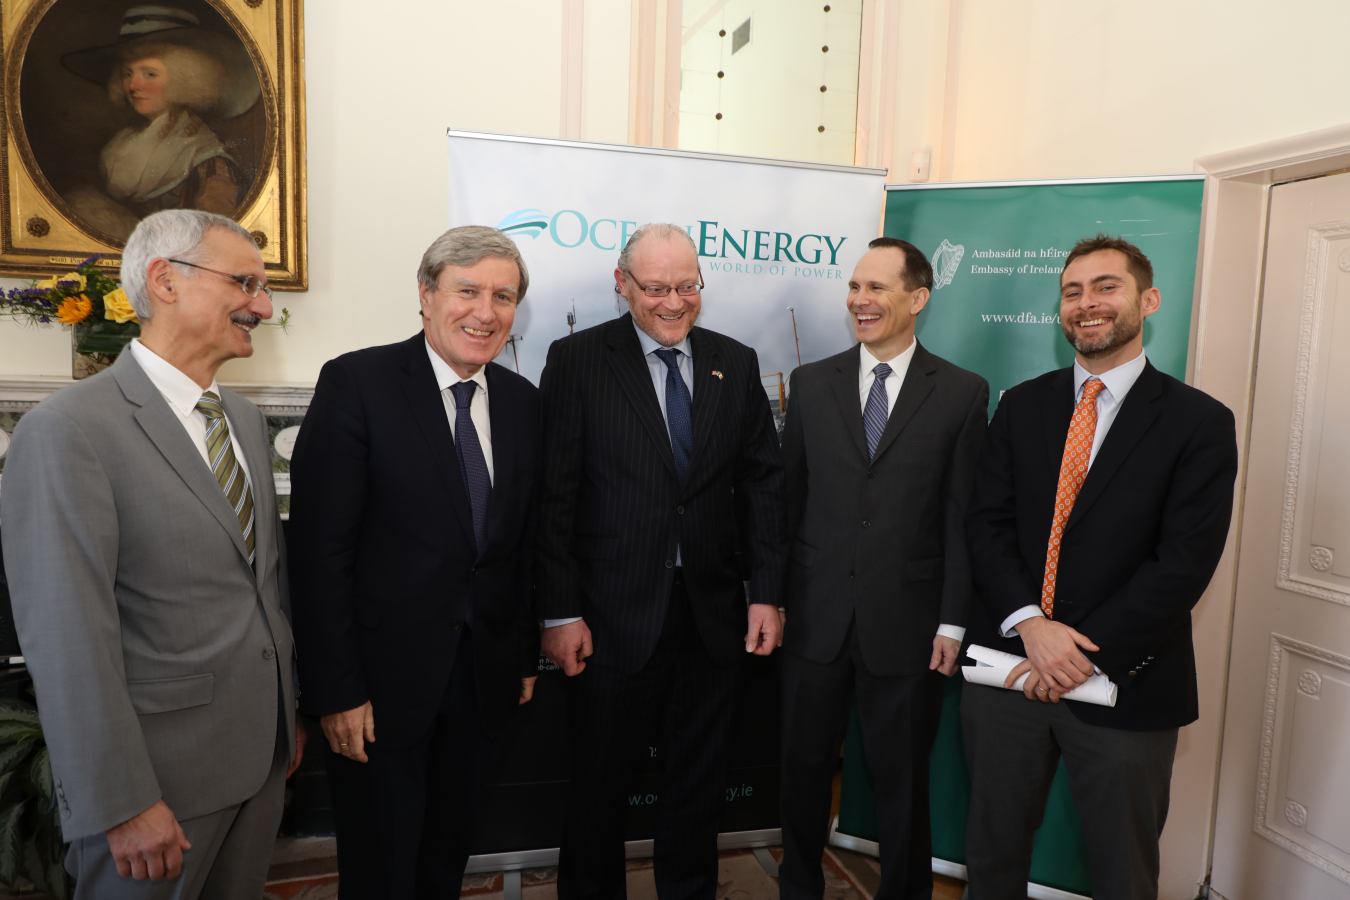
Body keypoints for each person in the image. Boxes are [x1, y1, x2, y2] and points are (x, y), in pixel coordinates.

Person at [0, 208, 303, 898]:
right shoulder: (69, 430)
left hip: (258, 761)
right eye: (246, 282)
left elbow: (261, 590)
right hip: (155, 785)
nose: (262, 305)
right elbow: (67, 637)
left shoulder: (245, 422)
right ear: (165, 280)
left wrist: (283, 715)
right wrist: (121, 801)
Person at [962, 235, 1239, 900]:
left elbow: (1185, 561)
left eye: (1106, 287)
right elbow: (987, 524)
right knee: (992, 858)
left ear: (1148, 300)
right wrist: (1032, 625)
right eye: (1073, 291)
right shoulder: (1022, 404)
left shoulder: (1199, 422)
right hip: (1011, 674)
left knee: (1124, 871)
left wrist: (1081, 651)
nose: (1087, 304)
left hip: (1127, 687)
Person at [288, 226, 542, 898]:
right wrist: (336, 692)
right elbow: (320, 554)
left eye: (504, 296)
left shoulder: (522, 403)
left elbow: (515, 548)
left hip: (482, 682)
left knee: (445, 858)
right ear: (427, 296)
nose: (485, 312)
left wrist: (518, 656)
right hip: (378, 688)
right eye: (468, 291)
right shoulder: (357, 383)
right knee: (381, 870)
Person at [537, 224, 786, 900]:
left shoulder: (733, 363)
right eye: (655, 288)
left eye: (687, 286)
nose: (673, 302)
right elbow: (554, 496)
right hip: (608, 619)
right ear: (622, 286)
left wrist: (767, 593)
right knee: (598, 792)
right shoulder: (577, 360)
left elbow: (762, 483)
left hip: (712, 619)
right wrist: (559, 611)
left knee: (699, 791)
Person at [777, 238, 989, 900]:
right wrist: (775, 601)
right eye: (854, 287)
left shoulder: (960, 392)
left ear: (918, 298)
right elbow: (788, 504)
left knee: (902, 782)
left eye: (877, 288)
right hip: (814, 620)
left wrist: (953, 621)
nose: (860, 301)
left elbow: (962, 519)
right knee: (804, 774)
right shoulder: (813, 383)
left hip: (910, 625)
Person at [61, 6, 261, 240]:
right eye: (127, 73)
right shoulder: (122, 142)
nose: (133, 85)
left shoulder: (209, 161)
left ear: (184, 80)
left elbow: (212, 241)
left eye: (149, 74)